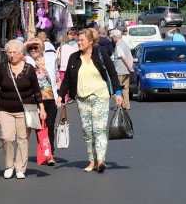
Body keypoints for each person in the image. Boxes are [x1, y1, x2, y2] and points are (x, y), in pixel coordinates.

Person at [57, 28, 123, 173]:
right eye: (78, 40)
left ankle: (100, 160)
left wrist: (118, 93)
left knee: (99, 128)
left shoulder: (100, 54)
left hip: (100, 95)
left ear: (91, 42)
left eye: (81, 40)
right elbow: (67, 78)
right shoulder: (74, 57)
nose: (78, 43)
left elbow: (112, 73)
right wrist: (61, 95)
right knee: (88, 131)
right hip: (82, 98)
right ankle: (91, 161)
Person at [0, 39, 46, 179]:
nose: (12, 55)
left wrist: (42, 108)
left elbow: (36, 90)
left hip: (26, 109)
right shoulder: (2, 68)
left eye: (14, 52)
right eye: (9, 52)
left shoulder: (29, 69)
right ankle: (9, 165)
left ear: (21, 53)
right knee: (7, 138)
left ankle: (20, 167)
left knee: (22, 139)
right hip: (5, 109)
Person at [25, 37, 60, 166]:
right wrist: (27, 43)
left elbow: (57, 78)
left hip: (50, 98)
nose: (33, 50)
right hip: (33, 99)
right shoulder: (27, 60)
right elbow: (15, 52)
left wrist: (61, 96)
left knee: (50, 125)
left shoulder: (50, 60)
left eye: (36, 47)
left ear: (42, 48)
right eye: (31, 48)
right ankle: (45, 152)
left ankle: (50, 153)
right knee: (39, 128)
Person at [110, 29, 134, 110]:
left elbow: (123, 58)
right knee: (126, 88)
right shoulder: (125, 44)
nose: (112, 39)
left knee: (118, 87)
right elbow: (130, 56)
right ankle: (127, 105)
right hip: (126, 71)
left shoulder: (119, 45)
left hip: (120, 70)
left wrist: (129, 67)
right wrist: (130, 67)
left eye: (113, 37)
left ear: (116, 37)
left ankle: (119, 105)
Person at [55, 33, 78, 103]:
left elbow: (57, 58)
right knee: (70, 82)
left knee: (63, 82)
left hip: (62, 67)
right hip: (71, 67)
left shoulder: (60, 48)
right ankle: (70, 95)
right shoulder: (72, 48)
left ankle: (65, 96)